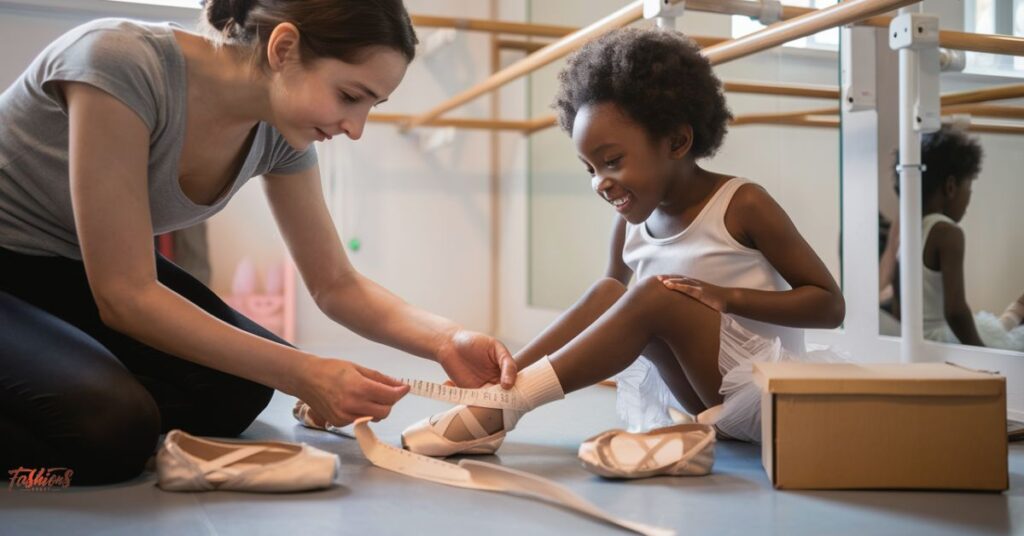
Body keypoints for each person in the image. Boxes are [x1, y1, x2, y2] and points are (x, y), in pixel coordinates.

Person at [0, 0, 516, 485]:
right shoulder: (119, 62)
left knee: (238, 391)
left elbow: (335, 282)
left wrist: (447, 340)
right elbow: (125, 296)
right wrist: (305, 372)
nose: (356, 128)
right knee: (111, 431)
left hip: (67, 269)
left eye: (371, 105)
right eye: (350, 96)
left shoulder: (278, 130)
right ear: (283, 48)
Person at [398, 27, 846, 455]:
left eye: (611, 162)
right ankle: (499, 391)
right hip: (707, 400)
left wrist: (727, 297)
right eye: (590, 169)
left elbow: (829, 305)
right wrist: (510, 369)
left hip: (768, 396)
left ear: (677, 141)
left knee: (656, 295)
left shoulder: (742, 203)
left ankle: (508, 405)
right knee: (611, 290)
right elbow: (607, 308)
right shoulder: (631, 224)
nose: (600, 182)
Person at [885, 127, 1024, 350]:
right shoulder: (947, 232)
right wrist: (982, 353)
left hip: (917, 340)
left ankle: (1017, 311)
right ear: (951, 187)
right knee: (1009, 344)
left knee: (1000, 329)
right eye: (969, 187)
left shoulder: (909, 231)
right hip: (942, 341)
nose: (969, 199)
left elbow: (899, 306)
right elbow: (956, 311)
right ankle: (1017, 310)